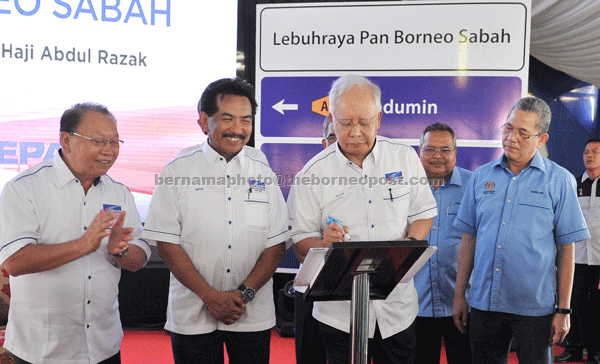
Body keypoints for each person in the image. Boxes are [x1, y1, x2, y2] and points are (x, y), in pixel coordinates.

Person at [289, 74, 437, 364]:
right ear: (332, 120)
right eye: (345, 123)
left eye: (364, 122)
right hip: (339, 316)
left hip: (396, 309)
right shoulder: (311, 174)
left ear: (379, 119)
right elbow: (299, 244)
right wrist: (323, 241)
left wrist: (405, 249)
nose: (355, 131)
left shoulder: (404, 159)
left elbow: (423, 215)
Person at [141, 78, 289, 364]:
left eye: (246, 120)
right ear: (203, 121)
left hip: (250, 313)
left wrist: (244, 294)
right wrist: (210, 297)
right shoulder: (177, 171)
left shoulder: (263, 171)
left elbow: (276, 243)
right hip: (193, 313)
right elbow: (167, 245)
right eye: (227, 118)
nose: (237, 129)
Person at [0, 102, 151, 364]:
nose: (109, 151)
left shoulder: (120, 192)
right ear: (66, 141)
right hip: (41, 351)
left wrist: (121, 250)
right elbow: (15, 261)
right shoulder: (24, 189)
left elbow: (139, 259)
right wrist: (83, 245)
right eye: (99, 141)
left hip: (104, 347)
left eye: (115, 142)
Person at [452, 97, 590, 364]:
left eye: (523, 133)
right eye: (507, 128)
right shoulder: (481, 177)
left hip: (534, 309)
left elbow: (566, 248)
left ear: (541, 139)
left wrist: (563, 309)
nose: (510, 138)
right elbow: (468, 239)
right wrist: (459, 296)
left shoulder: (559, 180)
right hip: (484, 303)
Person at [414, 123, 473, 364]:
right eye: (430, 149)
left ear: (456, 153)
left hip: (461, 302)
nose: (437, 156)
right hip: (416, 303)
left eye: (445, 150)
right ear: (420, 152)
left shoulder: (474, 185)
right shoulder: (405, 187)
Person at [291, 115, 335, 364]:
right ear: (323, 142)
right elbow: (298, 246)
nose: (339, 141)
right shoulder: (307, 177)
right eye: (332, 137)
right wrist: (323, 244)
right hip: (312, 287)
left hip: (359, 290)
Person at [554, 139, 600, 364]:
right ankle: (573, 348)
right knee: (575, 305)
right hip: (577, 258)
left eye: (595, 152)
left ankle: (595, 352)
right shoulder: (574, 184)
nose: (589, 156)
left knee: (597, 307)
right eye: (586, 152)